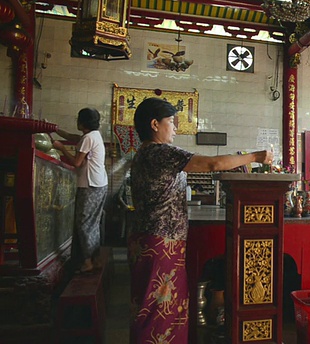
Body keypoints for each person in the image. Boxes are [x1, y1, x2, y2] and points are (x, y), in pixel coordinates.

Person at [128, 97, 273, 343]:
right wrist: (254, 156)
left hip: (154, 240)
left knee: (158, 308)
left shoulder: (145, 153)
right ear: (154, 124)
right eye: (171, 122)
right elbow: (212, 163)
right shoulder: (158, 152)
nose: (175, 128)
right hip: (160, 244)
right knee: (157, 311)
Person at [53, 108, 108, 273]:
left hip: (89, 186)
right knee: (92, 224)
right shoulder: (93, 135)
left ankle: (87, 262)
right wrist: (55, 130)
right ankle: (95, 259)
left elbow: (77, 163)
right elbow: (73, 137)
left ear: (82, 122)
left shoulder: (88, 138)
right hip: (99, 184)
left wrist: (61, 148)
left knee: (83, 224)